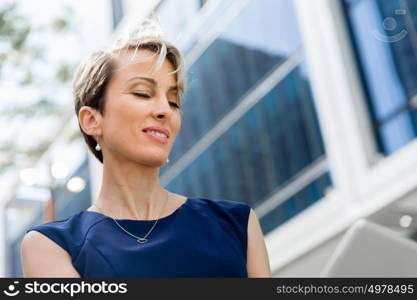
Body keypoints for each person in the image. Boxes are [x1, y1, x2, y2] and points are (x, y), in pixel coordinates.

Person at [21, 19, 271, 278]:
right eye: (142, 93)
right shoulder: (51, 245)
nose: (165, 110)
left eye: (173, 101)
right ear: (92, 120)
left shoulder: (236, 223)